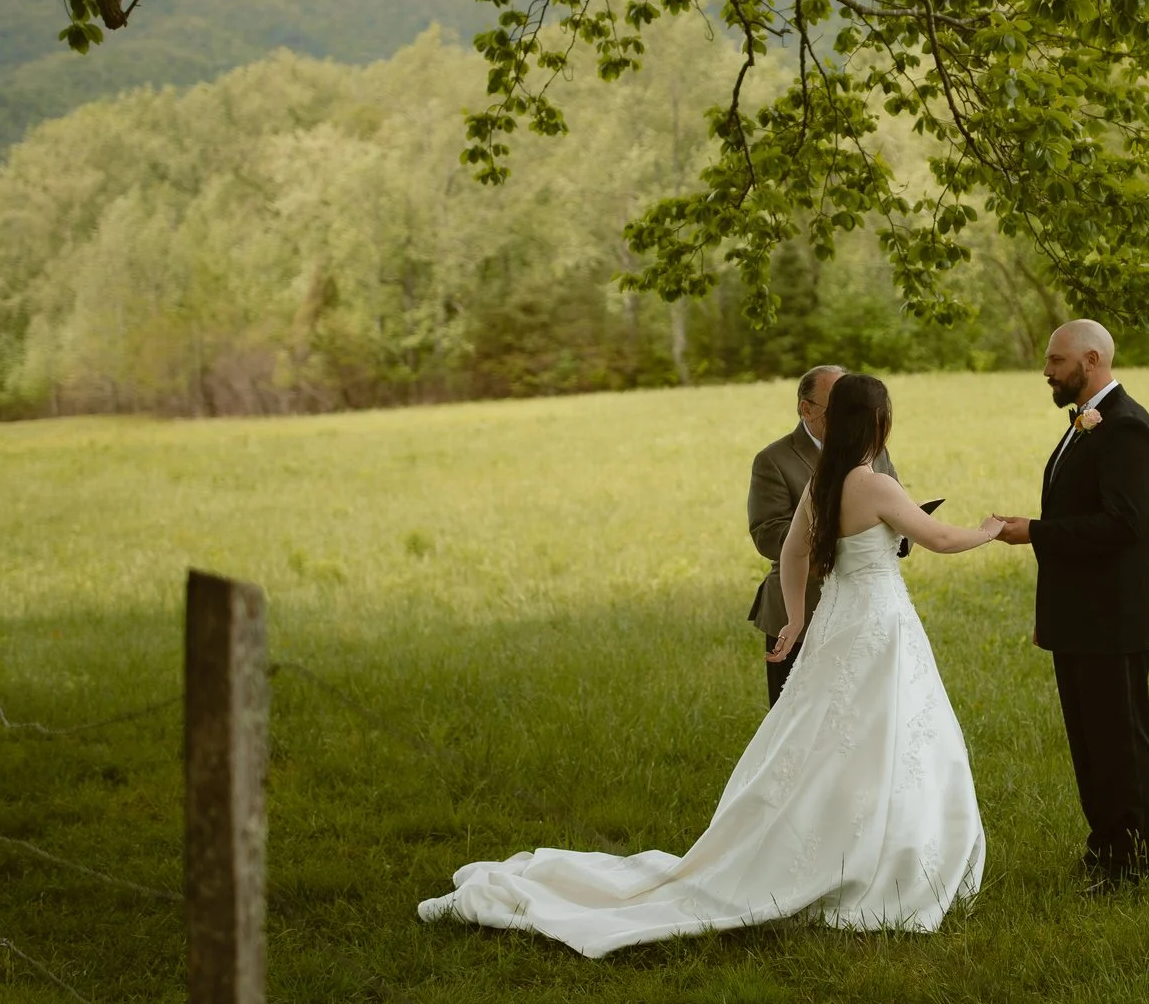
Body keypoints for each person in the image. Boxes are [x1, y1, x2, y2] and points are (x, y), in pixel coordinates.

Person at [420, 374, 1002, 956]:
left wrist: (796, 619)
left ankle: (833, 845)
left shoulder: (823, 481)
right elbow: (941, 540)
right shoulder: (873, 486)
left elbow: (794, 553)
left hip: (838, 625)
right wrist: (988, 530)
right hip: (880, 626)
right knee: (890, 735)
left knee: (828, 736)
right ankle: (886, 861)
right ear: (879, 422)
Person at [994, 319, 1149, 891]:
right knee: (1089, 742)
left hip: (1114, 618)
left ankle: (1135, 859)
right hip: (1079, 617)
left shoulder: (1127, 428)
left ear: (1091, 361)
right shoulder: (1086, 424)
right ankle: (1105, 845)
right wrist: (1053, 616)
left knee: (1119, 742)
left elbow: (1123, 524)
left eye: (1056, 360)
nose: (1046, 370)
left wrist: (1035, 533)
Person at [749, 364, 897, 706]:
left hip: (861, 609)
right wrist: (837, 537)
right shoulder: (773, 459)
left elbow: (897, 507)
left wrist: (900, 536)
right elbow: (768, 534)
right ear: (807, 408)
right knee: (796, 717)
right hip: (802, 603)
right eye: (839, 408)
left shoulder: (875, 451)